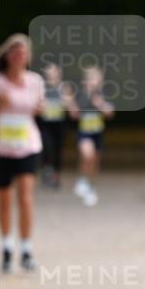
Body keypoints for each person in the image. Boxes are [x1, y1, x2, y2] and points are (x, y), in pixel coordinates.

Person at [0, 33, 46, 272]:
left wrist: (41, 108)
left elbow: (40, 107)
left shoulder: (35, 81)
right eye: (14, 52)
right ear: (7, 56)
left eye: (23, 53)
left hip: (27, 144)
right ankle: (7, 247)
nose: (19, 57)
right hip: (2, 146)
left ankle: (26, 249)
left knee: (26, 198)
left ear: (28, 57)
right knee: (4, 200)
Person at [68, 66, 114, 207]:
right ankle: (82, 180)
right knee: (87, 155)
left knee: (94, 163)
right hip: (84, 132)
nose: (93, 81)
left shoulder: (103, 95)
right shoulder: (80, 95)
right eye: (90, 78)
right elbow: (73, 115)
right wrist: (70, 102)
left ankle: (90, 188)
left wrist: (100, 104)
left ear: (101, 81)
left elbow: (110, 114)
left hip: (97, 133)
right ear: (85, 80)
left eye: (96, 78)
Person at [38, 62, 69, 189]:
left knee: (58, 151)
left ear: (59, 73)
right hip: (45, 124)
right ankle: (47, 169)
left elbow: (71, 107)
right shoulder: (41, 88)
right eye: (49, 72)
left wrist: (64, 100)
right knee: (47, 147)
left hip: (59, 124)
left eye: (54, 72)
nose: (51, 74)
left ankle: (56, 176)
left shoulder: (64, 87)